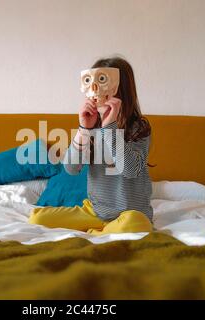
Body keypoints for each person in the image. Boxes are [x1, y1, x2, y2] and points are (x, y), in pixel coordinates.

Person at [29, 57, 153, 235]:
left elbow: (130, 170)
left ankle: (97, 233)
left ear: (121, 89)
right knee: (36, 218)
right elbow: (71, 168)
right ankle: (105, 229)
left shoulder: (139, 128)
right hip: (95, 212)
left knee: (136, 223)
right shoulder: (91, 127)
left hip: (130, 213)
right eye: (90, 82)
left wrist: (109, 128)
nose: (95, 89)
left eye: (102, 81)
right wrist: (83, 128)